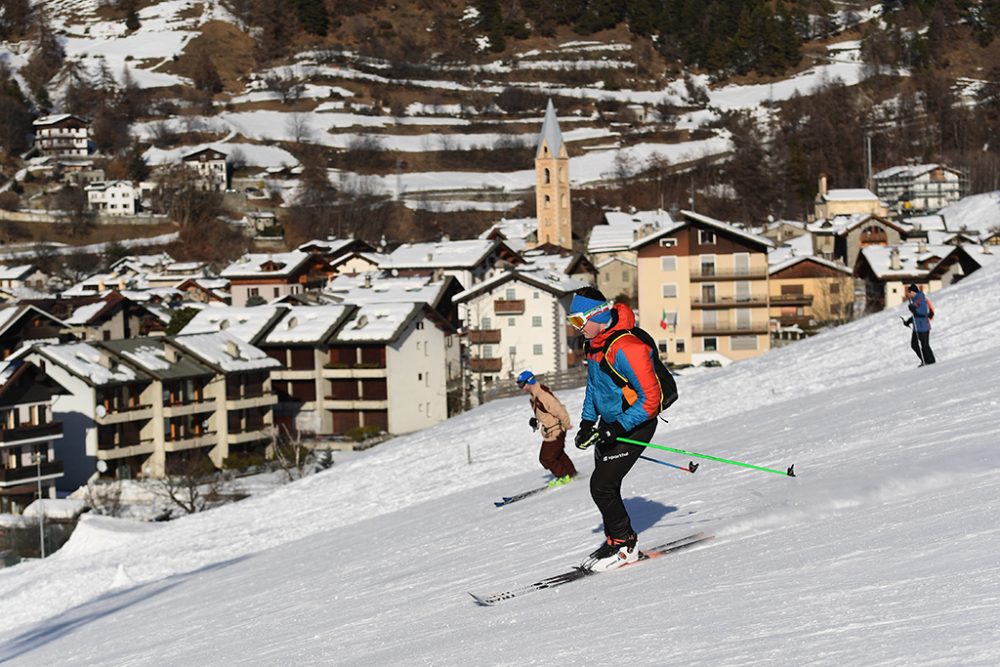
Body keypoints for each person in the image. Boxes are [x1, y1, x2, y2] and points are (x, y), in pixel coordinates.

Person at [569, 286, 662, 571]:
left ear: (596, 315)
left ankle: (626, 545)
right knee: (605, 484)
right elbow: (594, 387)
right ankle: (615, 540)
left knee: (602, 485)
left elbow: (651, 400)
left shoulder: (627, 348)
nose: (576, 329)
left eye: (577, 321)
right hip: (612, 424)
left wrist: (618, 426)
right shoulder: (595, 344)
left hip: (636, 424)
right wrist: (587, 422)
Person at [516, 370, 577, 487]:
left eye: (522, 384)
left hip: (556, 430)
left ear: (530, 381)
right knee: (558, 454)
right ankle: (572, 474)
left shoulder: (542, 395)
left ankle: (564, 477)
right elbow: (545, 413)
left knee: (546, 458)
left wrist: (566, 424)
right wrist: (536, 420)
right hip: (551, 430)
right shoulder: (535, 396)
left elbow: (558, 409)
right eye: (519, 385)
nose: (521, 387)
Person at [902, 283, 936, 366]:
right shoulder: (915, 300)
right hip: (917, 327)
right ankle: (925, 360)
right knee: (914, 345)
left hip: (923, 326)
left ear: (913, 292)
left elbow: (923, 313)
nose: (908, 294)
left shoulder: (921, 299)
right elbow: (915, 315)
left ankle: (931, 362)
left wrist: (914, 310)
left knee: (925, 345)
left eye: (909, 292)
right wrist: (908, 321)